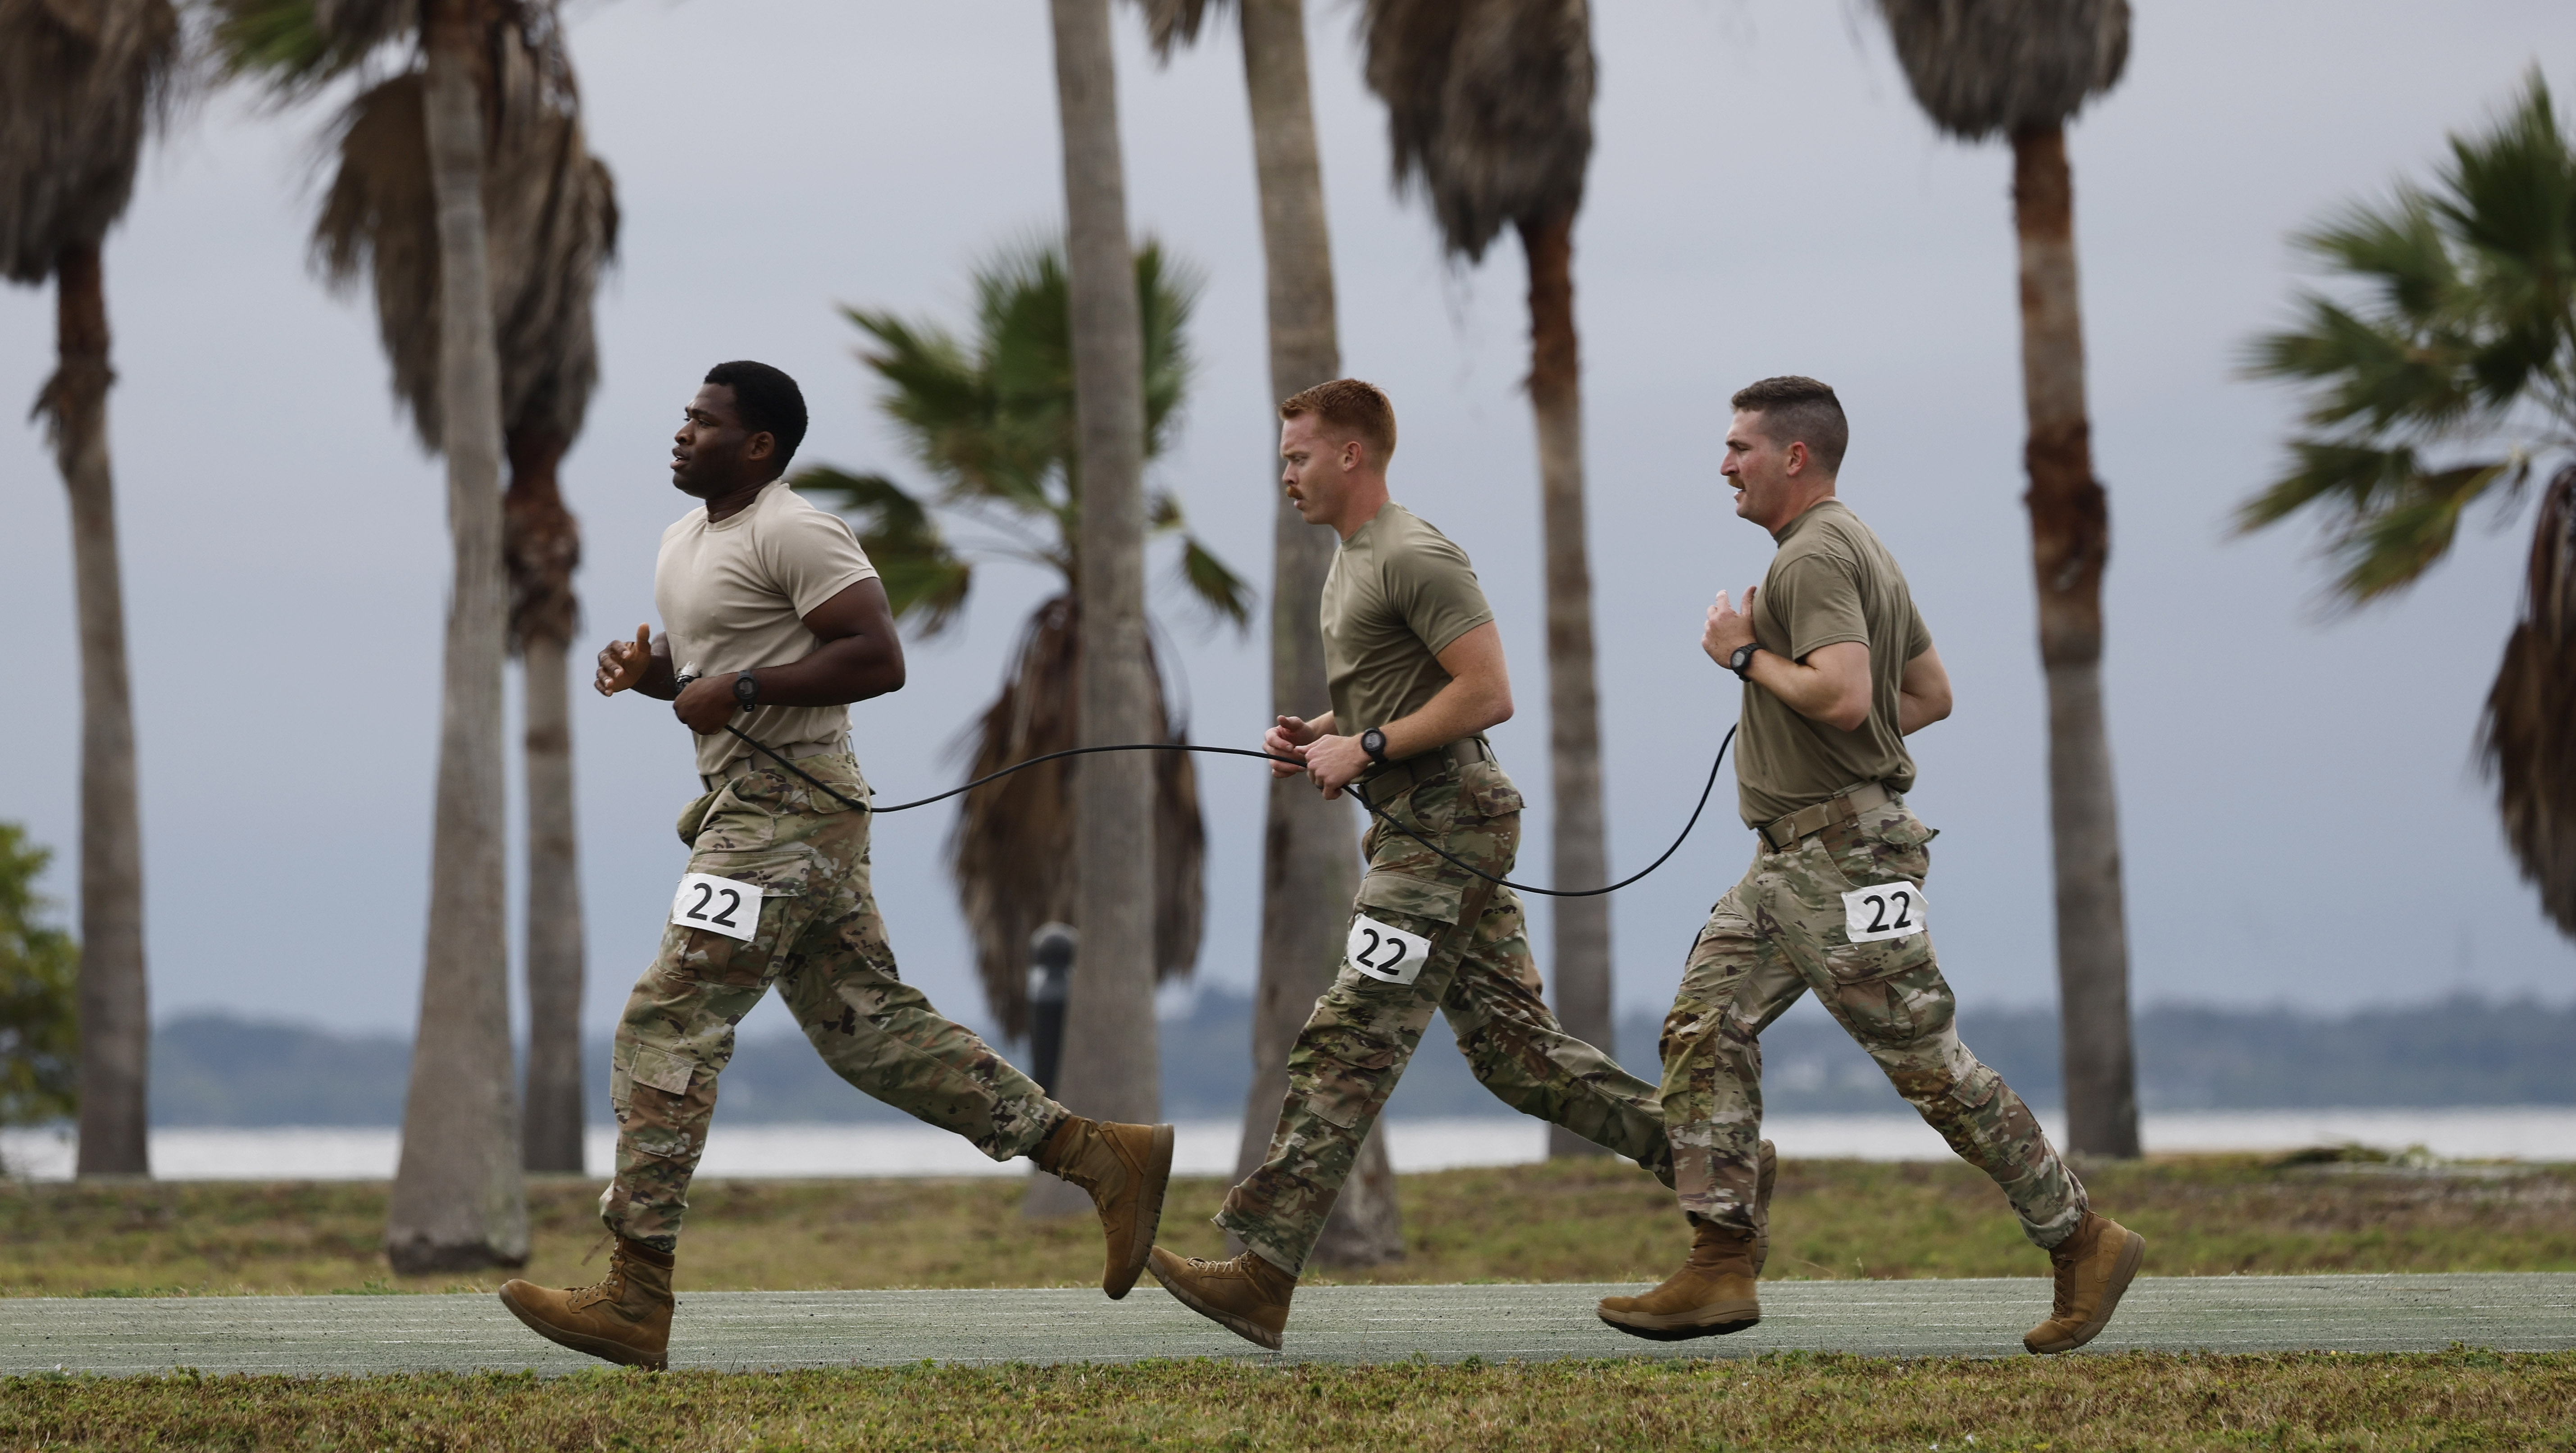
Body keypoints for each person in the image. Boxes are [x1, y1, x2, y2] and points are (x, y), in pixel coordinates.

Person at [498, 361, 1173, 1370]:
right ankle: (1098, 1154)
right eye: (684, 416)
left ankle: (635, 1291)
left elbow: (876, 654)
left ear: (758, 445)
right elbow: (716, 685)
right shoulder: (684, 541)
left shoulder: (794, 528)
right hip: (762, 810)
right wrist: (658, 682)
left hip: (786, 814)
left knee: (668, 1016)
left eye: (704, 420)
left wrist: (747, 686)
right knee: (871, 1032)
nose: (681, 432)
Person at [1145, 378, 1757, 1351]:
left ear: (1353, 455)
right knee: (1517, 1058)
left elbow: (1489, 691)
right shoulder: (1351, 562)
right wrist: (1327, 732)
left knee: (1350, 1032)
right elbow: (1413, 689)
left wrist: (1370, 749)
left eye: (1299, 456)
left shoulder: (1413, 552)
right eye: (1282, 457)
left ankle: (1260, 1270)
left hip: (1448, 821)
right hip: (1418, 821)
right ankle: (1720, 1164)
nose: (1286, 473)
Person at [1594, 376, 2143, 1352]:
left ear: (1794, 456)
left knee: (1925, 1062)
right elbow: (1925, 694)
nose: (1724, 464)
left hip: (1844, 859)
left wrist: (1741, 656)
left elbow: (1850, 698)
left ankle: (2082, 1236)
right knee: (1703, 1021)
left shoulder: (1813, 557)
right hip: (1788, 862)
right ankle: (1721, 1259)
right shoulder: (1860, 548)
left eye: (1739, 447)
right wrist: (1802, 690)